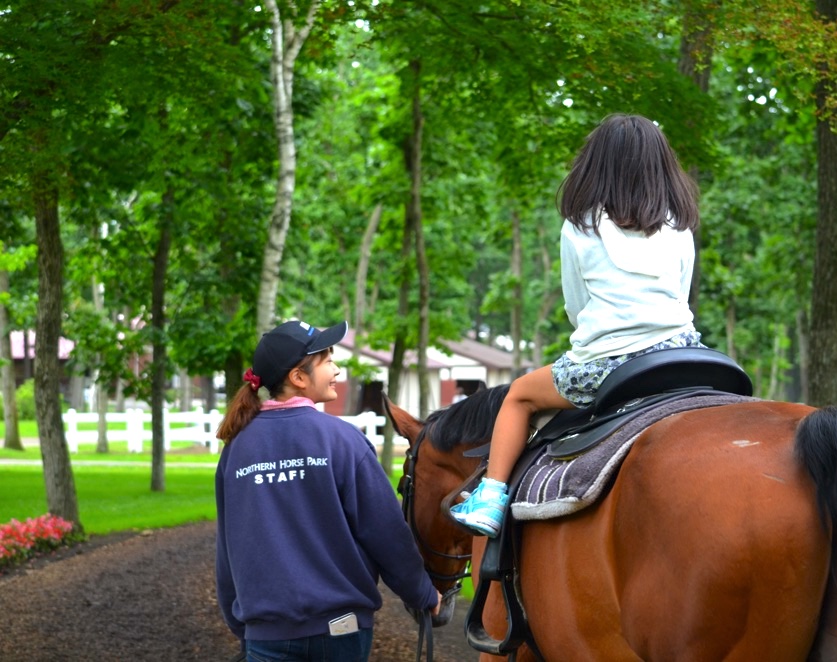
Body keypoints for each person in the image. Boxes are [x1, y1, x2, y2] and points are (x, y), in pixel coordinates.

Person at [450, 113, 703, 538]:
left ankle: (492, 496)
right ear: (661, 166)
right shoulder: (678, 225)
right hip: (681, 350)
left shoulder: (579, 225)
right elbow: (681, 293)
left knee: (518, 398)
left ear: (596, 165)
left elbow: (576, 304)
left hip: (607, 363)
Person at [214, 319, 441, 662]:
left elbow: (229, 547)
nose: (337, 369)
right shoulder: (344, 440)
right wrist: (422, 594)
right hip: (341, 633)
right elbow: (386, 531)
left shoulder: (237, 449)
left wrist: (241, 624)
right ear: (299, 377)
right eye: (327, 360)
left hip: (265, 636)